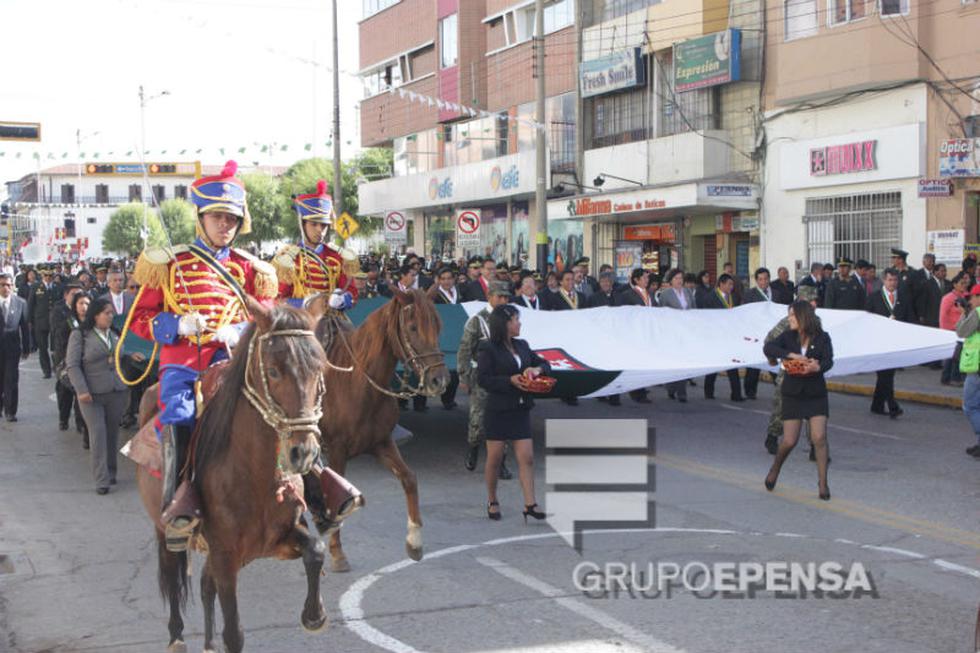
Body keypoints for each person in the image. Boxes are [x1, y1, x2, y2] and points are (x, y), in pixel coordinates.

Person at [126, 160, 279, 551]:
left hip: (234, 360)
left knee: (286, 404)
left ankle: (311, 490)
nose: (224, 225)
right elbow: (140, 320)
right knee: (179, 415)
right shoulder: (169, 263)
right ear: (200, 217)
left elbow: (268, 316)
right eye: (216, 217)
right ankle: (178, 502)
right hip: (185, 364)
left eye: (231, 218)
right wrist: (175, 326)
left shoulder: (250, 268)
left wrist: (242, 329)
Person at [477, 304, 552, 521]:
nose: (519, 323)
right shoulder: (488, 348)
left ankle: (530, 504)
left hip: (520, 408)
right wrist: (509, 380)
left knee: (526, 457)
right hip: (498, 409)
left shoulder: (522, 345)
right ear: (504, 324)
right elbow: (483, 379)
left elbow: (545, 364)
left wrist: (536, 370)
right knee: (495, 458)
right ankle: (492, 500)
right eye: (515, 320)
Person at [763, 301, 835, 500]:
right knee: (789, 441)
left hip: (815, 393)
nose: (790, 319)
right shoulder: (788, 337)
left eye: (793, 315)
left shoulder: (822, 337)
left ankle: (823, 483)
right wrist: (790, 354)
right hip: (793, 393)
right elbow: (768, 347)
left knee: (819, 437)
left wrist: (817, 367)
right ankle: (775, 469)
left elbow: (829, 360)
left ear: (803, 316)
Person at [66, 298, 129, 495]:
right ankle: (101, 479)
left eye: (112, 313)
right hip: (91, 394)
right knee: (98, 434)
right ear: (96, 315)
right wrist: (81, 390)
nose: (110, 317)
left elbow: (120, 354)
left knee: (112, 434)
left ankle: (111, 471)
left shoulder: (113, 334)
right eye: (107, 313)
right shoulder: (80, 335)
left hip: (115, 391)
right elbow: (73, 365)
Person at [273, 179, 357, 309]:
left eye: (323, 225)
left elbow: (352, 293)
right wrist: (304, 303)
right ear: (303, 225)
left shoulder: (337, 256)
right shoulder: (287, 258)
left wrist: (342, 299)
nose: (319, 230)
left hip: (331, 317)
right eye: (314, 224)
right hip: (298, 319)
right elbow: (277, 300)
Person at [458, 281, 513, 477]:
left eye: (506, 297)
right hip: (481, 376)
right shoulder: (477, 321)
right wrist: (464, 376)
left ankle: (501, 463)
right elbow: (464, 350)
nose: (504, 300)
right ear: (490, 296)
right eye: (500, 297)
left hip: (504, 377)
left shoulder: (509, 319)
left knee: (503, 420)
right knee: (478, 420)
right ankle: (473, 448)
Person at [764, 285, 820, 455]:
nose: (815, 304)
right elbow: (770, 340)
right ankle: (772, 437)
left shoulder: (816, 322)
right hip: (789, 372)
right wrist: (773, 360)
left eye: (815, 301)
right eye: (811, 301)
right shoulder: (788, 321)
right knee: (782, 408)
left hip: (809, 373)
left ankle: (814, 446)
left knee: (812, 411)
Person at [866, 268, 914, 418]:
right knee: (884, 374)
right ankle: (893, 405)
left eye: (895, 280)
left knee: (887, 374)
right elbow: (867, 319)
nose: (892, 283)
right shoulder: (874, 297)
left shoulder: (904, 298)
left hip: (895, 342)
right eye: (890, 280)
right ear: (883, 280)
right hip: (879, 342)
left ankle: (877, 405)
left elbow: (909, 318)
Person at [700, 274, 744, 401]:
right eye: (729, 284)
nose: (731, 287)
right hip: (716, 337)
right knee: (714, 366)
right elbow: (706, 318)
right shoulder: (710, 298)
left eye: (732, 284)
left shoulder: (734, 297)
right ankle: (708, 391)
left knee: (732, 365)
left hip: (730, 337)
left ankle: (736, 394)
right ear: (721, 284)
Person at [51, 281, 86, 435]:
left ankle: (81, 424)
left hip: (82, 360)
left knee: (80, 391)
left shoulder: (88, 316)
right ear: (67, 295)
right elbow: (58, 335)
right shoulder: (60, 311)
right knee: (64, 392)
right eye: (74, 295)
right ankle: (63, 418)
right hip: (64, 358)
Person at [659, 268, 695, 403]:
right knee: (676, 362)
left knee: (686, 362)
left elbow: (694, 310)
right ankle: (677, 389)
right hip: (672, 334)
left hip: (686, 333)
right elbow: (661, 314)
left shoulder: (688, 292)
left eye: (681, 278)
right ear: (671, 281)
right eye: (676, 278)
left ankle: (676, 388)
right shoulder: (665, 294)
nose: (679, 281)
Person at [740, 267, 776, 400]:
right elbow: (744, 314)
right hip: (756, 333)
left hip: (773, 334)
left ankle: (781, 388)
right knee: (754, 365)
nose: (763, 282)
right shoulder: (750, 295)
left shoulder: (777, 293)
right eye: (760, 279)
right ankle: (750, 391)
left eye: (766, 279)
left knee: (774, 362)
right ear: (756, 281)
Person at [0, 273, 30, 422]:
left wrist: (26, 347)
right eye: (2, 285)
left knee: (11, 379)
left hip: (12, 348)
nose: (6, 288)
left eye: (9, 285)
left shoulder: (21, 303)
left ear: (13, 286)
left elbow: (24, 327)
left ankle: (11, 410)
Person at [955, 284, 980, 458]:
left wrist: (964, 311)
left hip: (977, 368)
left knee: (970, 406)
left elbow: (961, 331)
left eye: (971, 297)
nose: (969, 301)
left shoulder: (978, 313)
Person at [27, 266, 59, 379]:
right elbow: (30, 304)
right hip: (40, 321)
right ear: (42, 275)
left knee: (56, 346)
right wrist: (29, 321)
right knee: (42, 347)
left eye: (51, 275)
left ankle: (57, 367)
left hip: (55, 321)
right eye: (46, 275)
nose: (48, 278)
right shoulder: (36, 287)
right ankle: (46, 371)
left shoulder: (57, 287)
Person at [940, 272, 970, 386]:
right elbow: (942, 316)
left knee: (959, 354)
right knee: (952, 355)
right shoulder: (948, 298)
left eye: (965, 283)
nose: (964, 286)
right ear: (955, 284)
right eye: (961, 283)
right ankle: (950, 377)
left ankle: (952, 377)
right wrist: (944, 331)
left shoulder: (966, 296)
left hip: (963, 329)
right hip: (951, 330)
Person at [915, 254, 946, 329]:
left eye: (945, 271)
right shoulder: (926, 283)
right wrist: (921, 315)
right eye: (942, 271)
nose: (944, 273)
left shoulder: (948, 283)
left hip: (943, 316)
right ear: (935, 272)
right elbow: (922, 301)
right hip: (931, 318)